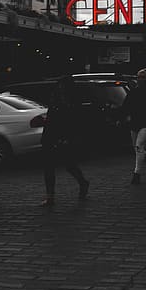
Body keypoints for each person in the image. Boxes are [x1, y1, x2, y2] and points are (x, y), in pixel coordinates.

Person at [40, 77, 90, 206]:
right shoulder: (55, 99)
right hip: (51, 136)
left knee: (69, 165)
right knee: (49, 167)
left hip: (64, 137)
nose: (61, 89)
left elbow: (74, 122)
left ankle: (83, 182)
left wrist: (68, 138)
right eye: (60, 86)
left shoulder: (72, 103)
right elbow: (51, 119)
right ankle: (50, 197)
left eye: (63, 87)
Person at [121, 68, 146, 185]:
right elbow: (126, 105)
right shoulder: (134, 91)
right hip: (135, 122)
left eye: (143, 77)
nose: (140, 79)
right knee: (137, 147)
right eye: (139, 77)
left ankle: (137, 173)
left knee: (139, 146)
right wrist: (125, 116)